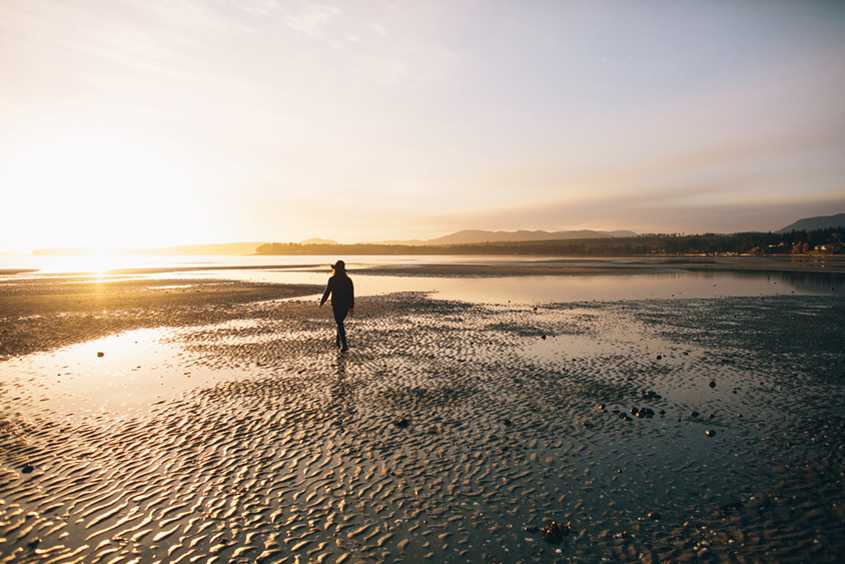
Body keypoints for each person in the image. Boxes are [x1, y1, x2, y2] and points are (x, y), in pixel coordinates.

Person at [320, 260, 354, 351]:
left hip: (336, 304)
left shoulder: (332, 280)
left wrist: (322, 301)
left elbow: (327, 292)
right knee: (340, 322)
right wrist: (351, 306)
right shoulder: (348, 280)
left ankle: (344, 344)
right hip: (345, 305)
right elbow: (351, 294)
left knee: (339, 322)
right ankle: (338, 341)